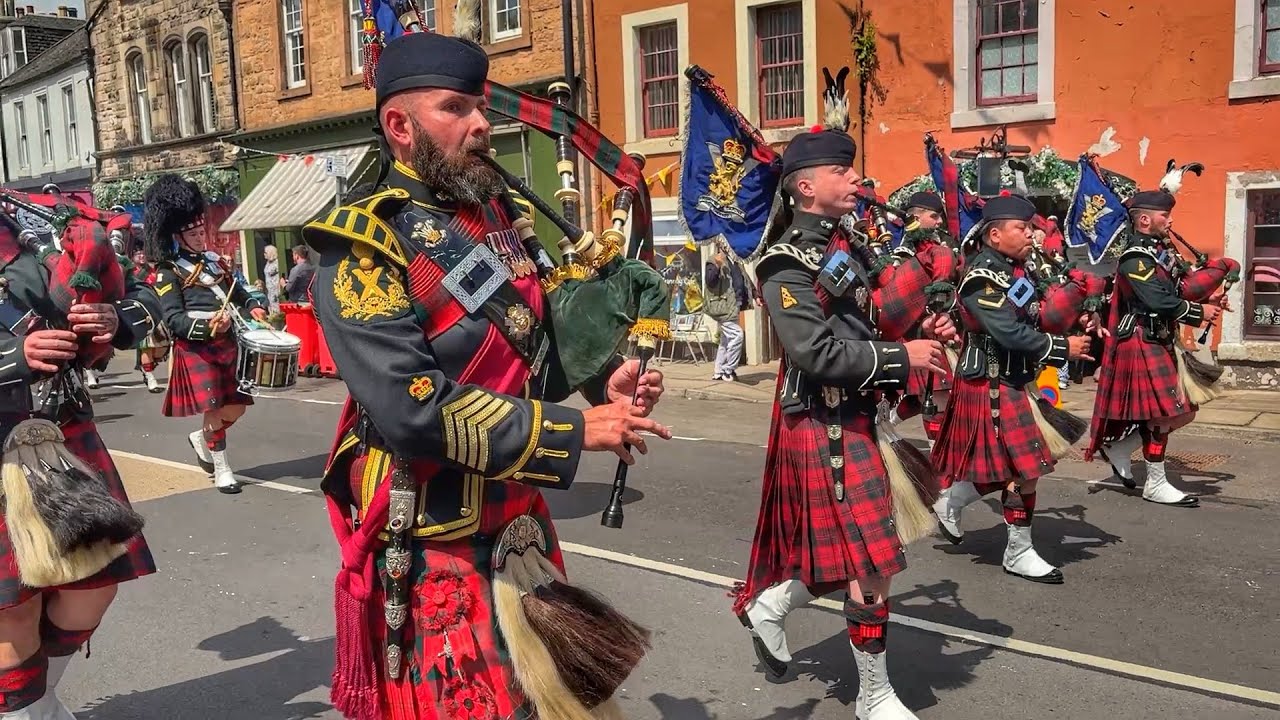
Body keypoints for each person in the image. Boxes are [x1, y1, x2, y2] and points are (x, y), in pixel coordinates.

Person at [302, 30, 671, 720]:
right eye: (456, 108)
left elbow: (527, 352)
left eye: (480, 107)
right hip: (435, 520)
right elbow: (414, 413)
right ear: (399, 126)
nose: (481, 125)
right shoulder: (361, 247)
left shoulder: (497, 218)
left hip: (515, 515)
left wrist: (604, 379)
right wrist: (573, 432)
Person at [731, 127, 956, 720]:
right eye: (841, 172)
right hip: (822, 422)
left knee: (859, 554)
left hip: (861, 415)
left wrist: (921, 322)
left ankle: (772, 606)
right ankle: (874, 695)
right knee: (872, 560)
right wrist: (898, 357)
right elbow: (814, 353)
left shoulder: (846, 247)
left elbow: (875, 316)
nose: (856, 179)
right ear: (806, 187)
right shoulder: (783, 263)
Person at [0, 210, 158, 719]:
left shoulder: (41, 223)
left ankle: (36, 702)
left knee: (93, 586)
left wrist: (117, 319)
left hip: (61, 433)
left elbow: (146, 294)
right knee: (12, 610)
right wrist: (14, 354)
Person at [929, 194, 1093, 583]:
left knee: (1010, 466)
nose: (1030, 234)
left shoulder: (1017, 270)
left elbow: (1037, 314)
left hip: (1013, 380)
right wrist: (1061, 349)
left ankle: (950, 501)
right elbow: (1008, 331)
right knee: (1027, 468)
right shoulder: (983, 276)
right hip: (989, 381)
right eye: (1022, 228)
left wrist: (1077, 307)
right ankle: (1018, 551)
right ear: (995, 234)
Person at [1085, 190, 1226, 507]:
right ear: (1145, 220)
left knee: (1184, 412)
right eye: (1165, 215)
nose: (1171, 219)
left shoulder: (1159, 252)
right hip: (1139, 339)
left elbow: (1176, 288)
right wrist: (1196, 312)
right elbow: (1157, 299)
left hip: (1159, 340)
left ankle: (1121, 448)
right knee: (1165, 414)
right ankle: (1155, 484)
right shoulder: (1135, 257)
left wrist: (1208, 298)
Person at [145, 175, 268, 494]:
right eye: (195, 234)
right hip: (198, 347)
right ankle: (223, 469)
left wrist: (254, 304)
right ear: (179, 236)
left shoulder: (215, 264)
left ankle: (201, 439)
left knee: (236, 407)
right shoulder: (168, 271)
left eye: (203, 232)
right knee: (214, 408)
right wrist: (206, 327)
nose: (202, 238)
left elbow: (239, 292)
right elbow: (173, 319)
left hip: (228, 342)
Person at [886, 190, 958, 443]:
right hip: (914, 334)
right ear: (915, 217)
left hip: (940, 332)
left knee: (930, 395)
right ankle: (941, 463)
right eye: (933, 216)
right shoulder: (902, 254)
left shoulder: (941, 248)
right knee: (937, 395)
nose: (939, 222)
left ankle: (888, 421)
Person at [704, 245, 752, 381]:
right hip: (723, 306)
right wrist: (717, 265)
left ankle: (719, 371)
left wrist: (755, 294)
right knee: (737, 336)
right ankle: (728, 370)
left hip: (734, 304)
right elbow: (710, 281)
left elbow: (745, 279)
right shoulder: (714, 260)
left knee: (726, 340)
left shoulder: (735, 260)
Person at [262, 245, 282, 314]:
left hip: (275, 290)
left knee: (277, 310)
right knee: (271, 309)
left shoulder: (277, 263)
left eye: (265, 252)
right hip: (269, 291)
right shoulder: (268, 263)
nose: (264, 254)